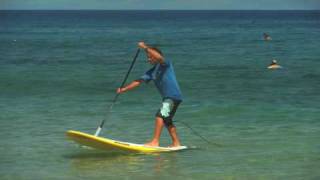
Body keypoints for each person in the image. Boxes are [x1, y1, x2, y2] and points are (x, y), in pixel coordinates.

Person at [116, 42, 183, 147]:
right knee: (166, 119)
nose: (148, 59)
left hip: (173, 96)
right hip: (170, 98)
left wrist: (145, 47)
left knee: (160, 115)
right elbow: (139, 81)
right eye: (147, 57)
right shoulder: (152, 72)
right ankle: (176, 143)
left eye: (150, 57)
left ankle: (155, 142)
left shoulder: (165, 64)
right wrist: (124, 89)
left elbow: (159, 58)